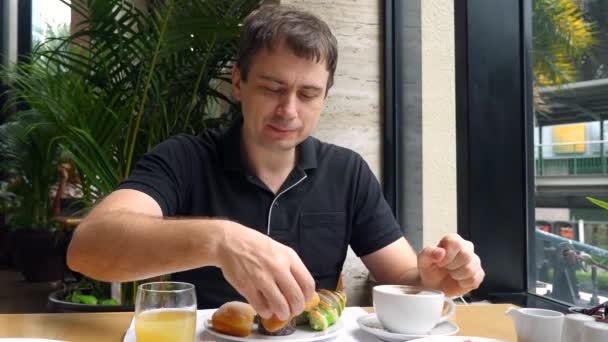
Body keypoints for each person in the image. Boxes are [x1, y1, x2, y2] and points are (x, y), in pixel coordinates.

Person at [67, 4, 484, 321]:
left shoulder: (347, 171)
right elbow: (88, 248)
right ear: (238, 82)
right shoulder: (185, 158)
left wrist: (434, 280)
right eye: (272, 88)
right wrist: (221, 241)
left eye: (307, 94)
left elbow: (403, 278)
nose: (289, 110)